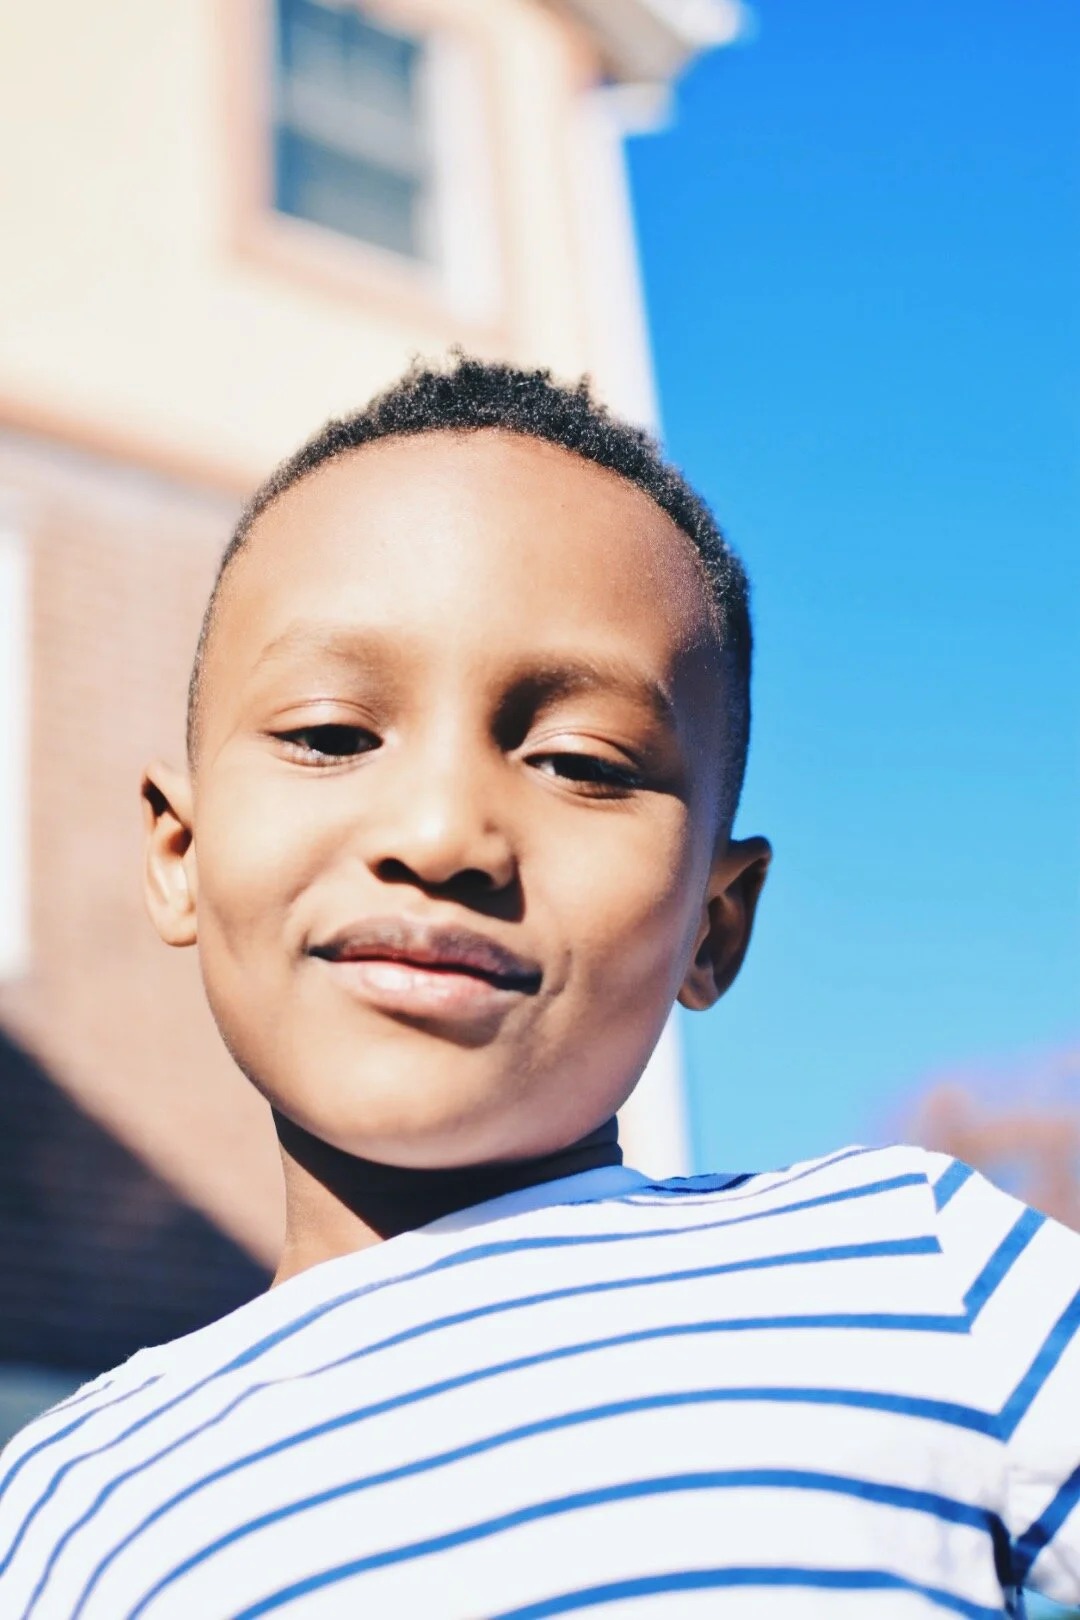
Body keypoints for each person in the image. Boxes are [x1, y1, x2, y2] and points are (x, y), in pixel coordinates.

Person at [0, 356, 1077, 1619]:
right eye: (334, 736)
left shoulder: (915, 1267)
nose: (447, 831)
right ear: (181, 856)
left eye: (579, 760)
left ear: (713, 928)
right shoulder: (58, 1504)